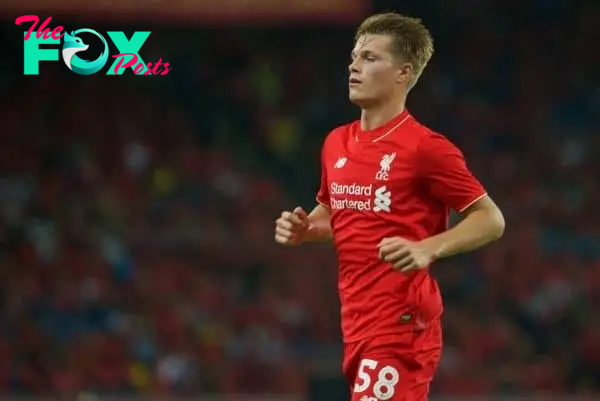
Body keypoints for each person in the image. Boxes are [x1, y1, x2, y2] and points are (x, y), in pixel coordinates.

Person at [274, 12, 505, 401]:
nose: (354, 65)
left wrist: (426, 247)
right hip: (356, 320)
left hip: (402, 324)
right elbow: (338, 216)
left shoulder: (425, 147)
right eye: (353, 56)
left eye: (369, 57)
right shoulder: (336, 142)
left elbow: (491, 219)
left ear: (403, 73)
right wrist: (306, 228)